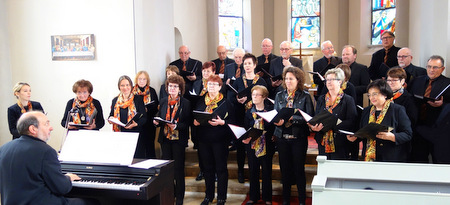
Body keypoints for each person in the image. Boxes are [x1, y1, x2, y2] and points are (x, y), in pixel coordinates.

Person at [0, 111, 94, 205]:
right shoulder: (45, 151)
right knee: (90, 202)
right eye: (46, 124)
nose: (51, 128)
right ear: (33, 129)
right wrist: (68, 178)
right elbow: (61, 188)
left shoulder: (4, 148)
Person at [273, 66, 314, 205]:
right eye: (286, 78)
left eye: (291, 78)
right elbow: (275, 114)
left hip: (298, 138)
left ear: (298, 80)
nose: (288, 81)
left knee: (298, 170)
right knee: (285, 171)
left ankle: (302, 200)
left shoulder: (305, 96)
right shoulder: (279, 95)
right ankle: (286, 199)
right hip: (282, 138)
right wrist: (276, 121)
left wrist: (293, 119)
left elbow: (310, 119)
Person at [347, 79, 412, 162]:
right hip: (369, 158)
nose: (371, 98)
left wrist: (392, 137)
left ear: (385, 94)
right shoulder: (366, 111)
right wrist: (355, 137)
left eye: (375, 94)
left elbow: (408, 134)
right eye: (369, 95)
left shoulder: (397, 110)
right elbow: (362, 131)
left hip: (390, 157)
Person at [193, 75, 234, 205]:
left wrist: (223, 122)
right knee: (207, 169)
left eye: (214, 84)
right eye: (209, 84)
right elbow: (193, 117)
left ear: (220, 87)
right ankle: (208, 196)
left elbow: (233, 121)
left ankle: (221, 197)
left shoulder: (226, 102)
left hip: (220, 140)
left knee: (221, 169)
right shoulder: (200, 101)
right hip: (204, 139)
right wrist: (195, 122)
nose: (211, 87)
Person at [228, 53, 267, 184]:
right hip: (240, 117)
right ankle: (240, 171)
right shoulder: (239, 80)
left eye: (250, 63)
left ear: (255, 65)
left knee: (255, 144)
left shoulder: (261, 81)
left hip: (256, 118)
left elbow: (265, 98)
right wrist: (238, 100)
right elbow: (231, 98)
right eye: (245, 64)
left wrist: (248, 99)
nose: (247, 66)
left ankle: (258, 173)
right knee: (240, 146)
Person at [153, 75, 191, 205]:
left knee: (178, 169)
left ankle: (180, 196)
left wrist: (176, 126)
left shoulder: (185, 103)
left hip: (178, 139)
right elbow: (160, 116)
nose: (173, 88)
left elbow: (187, 123)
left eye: (175, 86)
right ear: (167, 88)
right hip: (165, 139)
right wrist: (156, 121)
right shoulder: (163, 101)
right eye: (170, 86)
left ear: (180, 89)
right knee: (167, 169)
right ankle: (171, 193)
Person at [408, 55, 450, 163]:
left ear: (442, 69)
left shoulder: (448, 83)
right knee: (418, 159)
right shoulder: (417, 81)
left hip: (438, 129)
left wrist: (443, 104)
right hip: (418, 127)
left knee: (439, 160)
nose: (431, 70)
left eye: (435, 67)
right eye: (429, 66)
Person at [309, 68, 357, 160]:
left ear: (340, 81)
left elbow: (352, 121)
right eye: (327, 80)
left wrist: (333, 124)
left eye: (332, 79)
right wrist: (314, 127)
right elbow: (317, 117)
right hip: (323, 140)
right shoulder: (321, 99)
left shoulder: (348, 100)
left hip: (340, 142)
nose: (329, 82)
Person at [243, 85, 275, 205]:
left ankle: (267, 198)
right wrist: (245, 138)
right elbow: (246, 128)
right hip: (252, 145)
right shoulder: (249, 112)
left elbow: (272, 127)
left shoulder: (270, 110)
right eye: (253, 95)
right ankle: (253, 196)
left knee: (267, 172)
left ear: (264, 97)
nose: (254, 97)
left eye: (257, 95)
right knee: (253, 171)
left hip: (266, 144)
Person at [191, 61, 216, 181]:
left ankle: (214, 172)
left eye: (208, 71)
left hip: (212, 119)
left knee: (213, 150)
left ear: (213, 72)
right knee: (201, 148)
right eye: (204, 71)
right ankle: (202, 170)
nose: (206, 73)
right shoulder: (196, 83)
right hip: (199, 118)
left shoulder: (216, 84)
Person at [132, 71, 159, 159]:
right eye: (140, 79)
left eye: (144, 79)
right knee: (138, 147)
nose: (142, 81)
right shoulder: (132, 91)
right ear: (136, 80)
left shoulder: (152, 91)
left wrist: (147, 109)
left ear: (147, 80)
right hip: (137, 123)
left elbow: (156, 106)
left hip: (149, 123)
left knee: (149, 146)